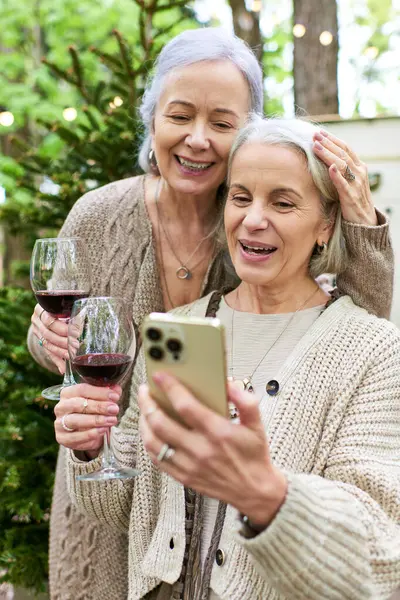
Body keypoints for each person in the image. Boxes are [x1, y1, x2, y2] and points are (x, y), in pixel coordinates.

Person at [30, 28, 394, 600]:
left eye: (223, 124)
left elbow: (355, 334)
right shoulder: (103, 223)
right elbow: (70, 341)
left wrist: (361, 226)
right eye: (243, 198)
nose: (198, 139)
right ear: (153, 119)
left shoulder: (353, 339)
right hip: (118, 525)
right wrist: (46, 342)